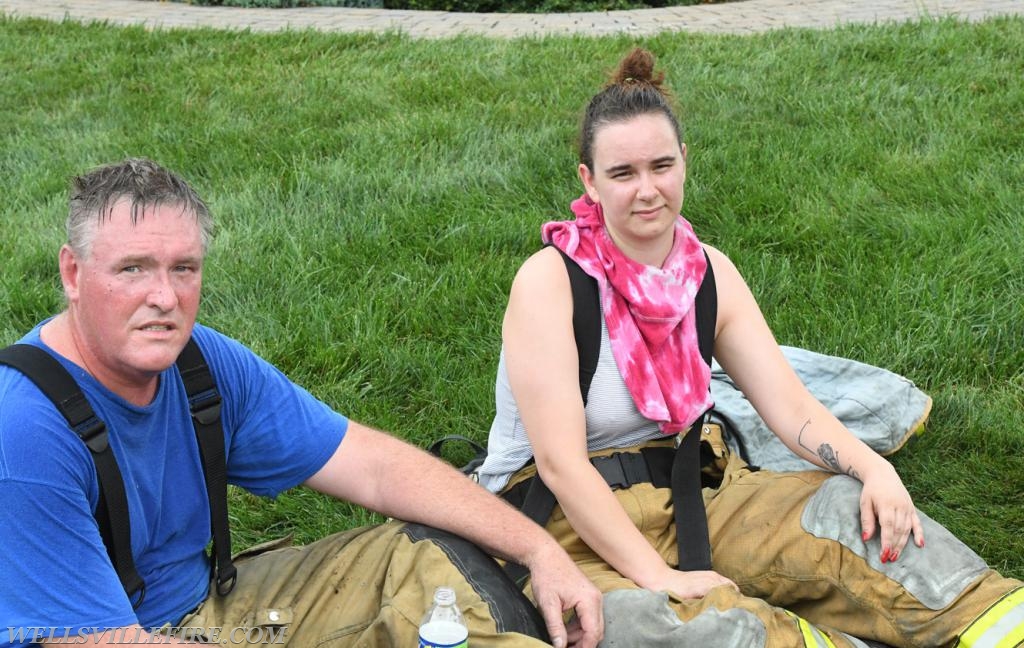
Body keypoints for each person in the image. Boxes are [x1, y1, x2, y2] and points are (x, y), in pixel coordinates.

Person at [476, 48, 1024, 648]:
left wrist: (874, 467)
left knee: (850, 515)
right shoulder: (550, 282)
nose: (647, 191)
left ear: (685, 161)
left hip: (699, 494)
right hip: (563, 522)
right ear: (589, 180)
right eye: (623, 173)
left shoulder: (709, 274)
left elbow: (792, 410)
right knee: (673, 626)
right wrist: (659, 576)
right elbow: (561, 463)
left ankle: (1000, 626)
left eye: (661, 166)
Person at [0, 158, 603, 648]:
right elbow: (98, 641)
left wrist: (536, 546)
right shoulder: (25, 428)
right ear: (73, 274)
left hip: (208, 605)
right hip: (112, 636)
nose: (164, 296)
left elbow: (373, 466)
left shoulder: (201, 365)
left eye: (183, 268)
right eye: (132, 269)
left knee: (423, 552)